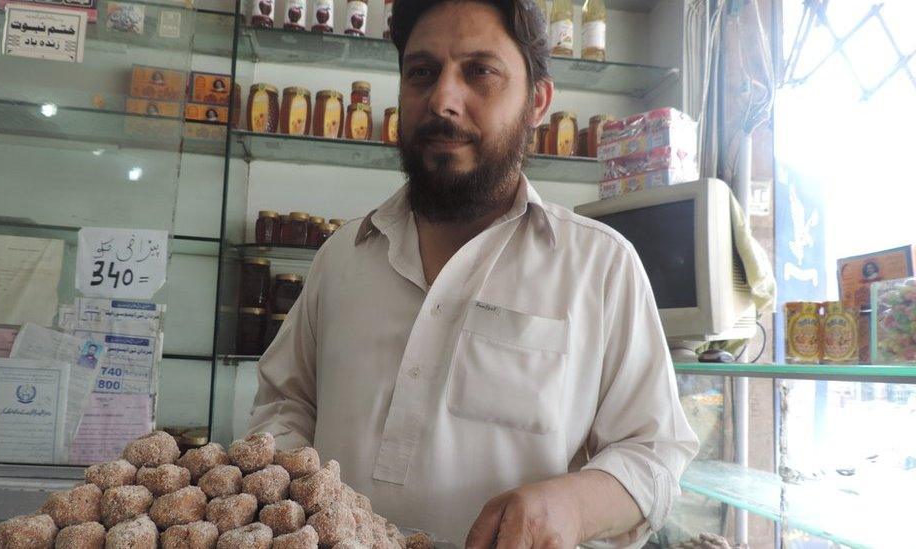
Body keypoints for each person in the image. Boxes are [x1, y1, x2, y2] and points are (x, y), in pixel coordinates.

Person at [248, 0, 698, 546]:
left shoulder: (600, 266)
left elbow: (653, 454)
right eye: (421, 72)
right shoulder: (342, 255)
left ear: (537, 101)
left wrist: (572, 507)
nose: (442, 99)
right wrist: (290, 501)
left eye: (479, 71)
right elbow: (284, 404)